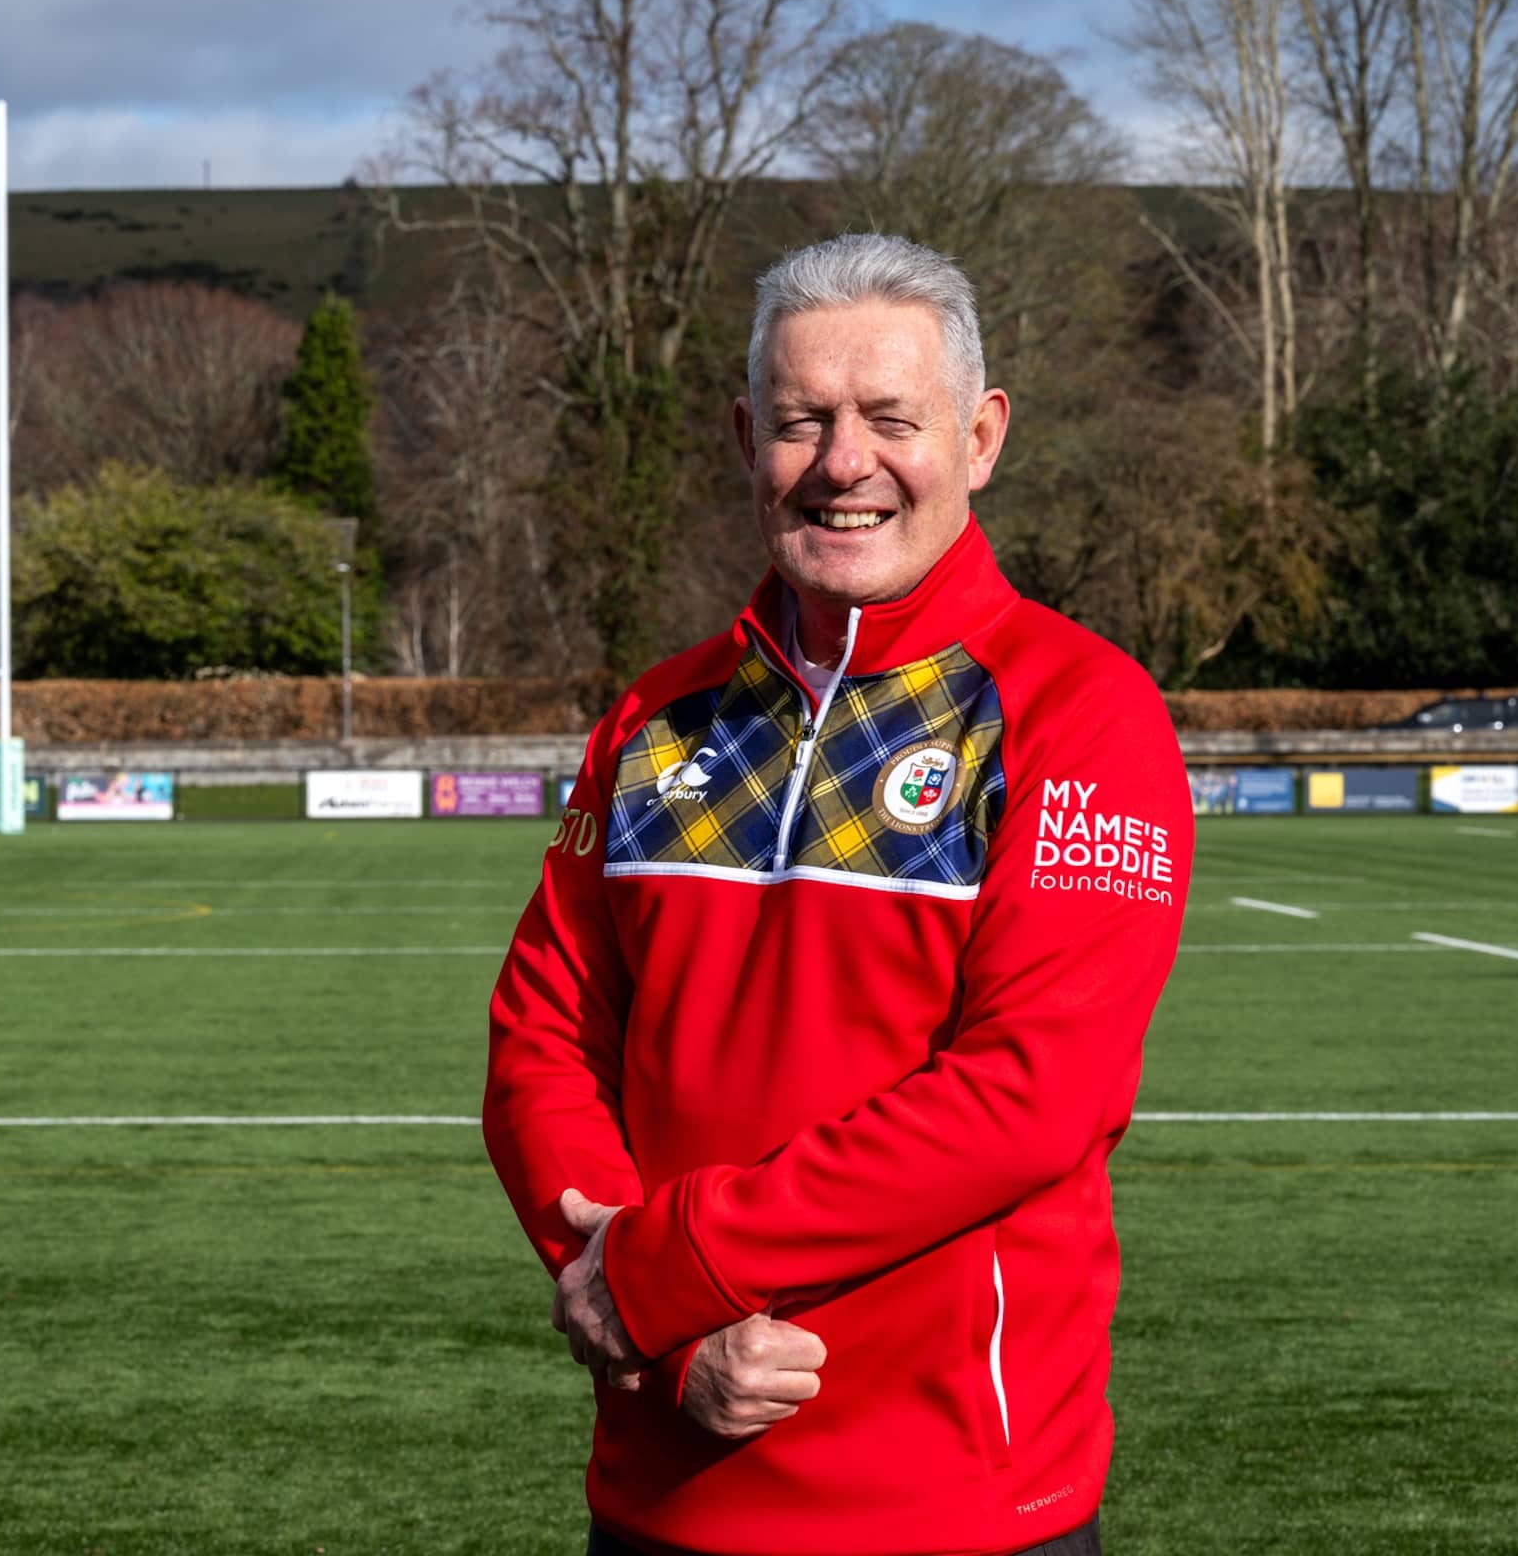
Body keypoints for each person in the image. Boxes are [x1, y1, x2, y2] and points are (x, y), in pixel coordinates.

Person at [484, 233, 1191, 1556]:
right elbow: (543, 1037)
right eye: (804, 422)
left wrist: (670, 1266)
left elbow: (1027, 1098)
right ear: (748, 435)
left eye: (891, 420)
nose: (844, 464)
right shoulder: (655, 713)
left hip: (960, 1511)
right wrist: (650, 1324)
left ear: (980, 438)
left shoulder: (1077, 711)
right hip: (661, 1473)